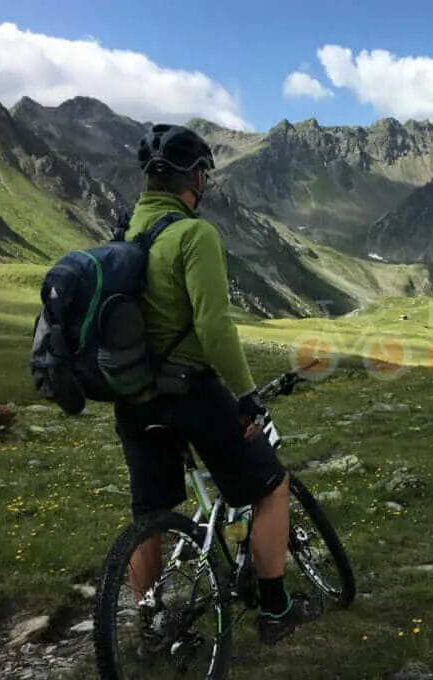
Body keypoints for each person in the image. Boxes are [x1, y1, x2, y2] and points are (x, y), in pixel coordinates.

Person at [115, 123, 320, 645]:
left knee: (153, 513)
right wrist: (248, 398)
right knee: (271, 487)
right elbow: (213, 328)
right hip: (189, 392)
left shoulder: (125, 235)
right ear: (194, 177)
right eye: (202, 171)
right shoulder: (193, 234)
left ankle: (154, 624)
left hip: (133, 396)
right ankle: (275, 610)